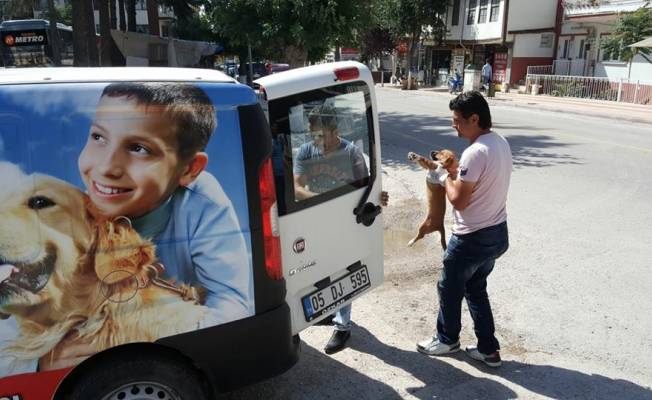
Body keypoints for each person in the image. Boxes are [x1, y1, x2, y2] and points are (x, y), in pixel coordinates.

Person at [45, 82, 252, 370]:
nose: (107, 167)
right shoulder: (57, 209)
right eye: (98, 137)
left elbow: (232, 301)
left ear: (189, 169)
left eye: (139, 148)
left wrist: (128, 337)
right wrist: (40, 362)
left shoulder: (202, 203)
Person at [416, 91, 511, 368]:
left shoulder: (475, 152)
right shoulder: (499, 143)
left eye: (457, 120)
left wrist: (444, 174)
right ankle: (488, 350)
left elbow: (458, 199)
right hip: (496, 233)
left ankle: (447, 339)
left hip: (472, 237)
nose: (453, 125)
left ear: (474, 118)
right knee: (475, 287)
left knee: (448, 287)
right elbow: (476, 184)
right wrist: (451, 171)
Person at [293, 104, 386, 355]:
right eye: (313, 135)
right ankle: (326, 310)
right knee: (317, 271)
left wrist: (378, 197)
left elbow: (367, 186)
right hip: (315, 221)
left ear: (334, 131)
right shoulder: (305, 151)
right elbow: (297, 188)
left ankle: (342, 326)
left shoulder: (351, 153)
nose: (317, 141)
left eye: (321, 135)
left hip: (345, 223)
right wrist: (323, 204)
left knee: (344, 272)